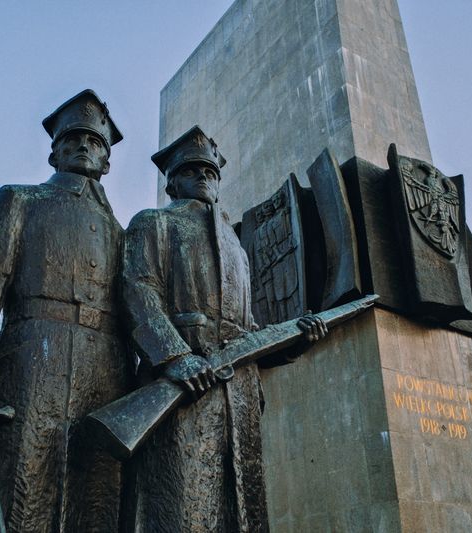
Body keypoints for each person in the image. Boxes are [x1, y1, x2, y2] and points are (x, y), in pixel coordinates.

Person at [120, 126, 326, 532]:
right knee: (180, 507)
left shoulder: (236, 246)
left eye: (210, 172)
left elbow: (248, 329)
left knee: (241, 512)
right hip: (185, 385)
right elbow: (138, 291)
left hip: (240, 395)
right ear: (172, 181)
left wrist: (292, 341)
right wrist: (175, 357)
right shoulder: (153, 223)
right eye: (192, 170)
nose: (203, 177)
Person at [0, 89, 129, 532]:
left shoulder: (122, 232)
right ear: (54, 154)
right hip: (27, 362)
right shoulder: (18, 200)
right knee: (18, 484)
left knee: (95, 495)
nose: (85, 146)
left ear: (107, 162)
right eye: (74, 139)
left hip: (106, 371)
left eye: (96, 142)